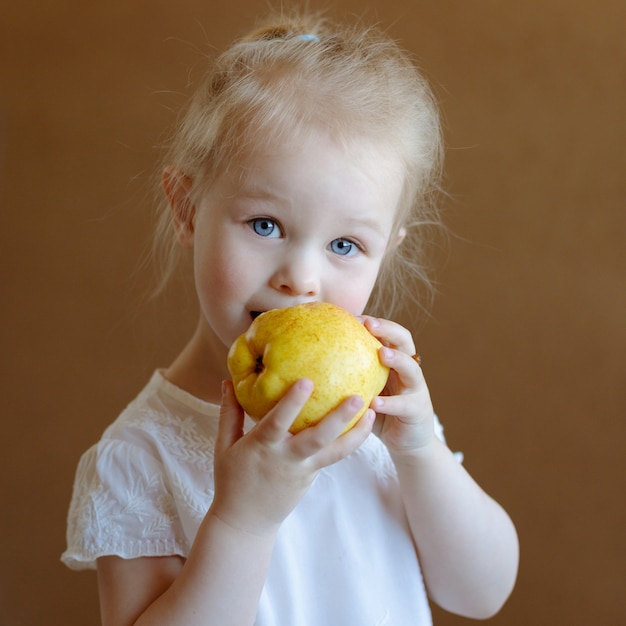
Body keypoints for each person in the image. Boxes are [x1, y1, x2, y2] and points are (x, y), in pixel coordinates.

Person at [62, 11, 519, 626]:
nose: (301, 278)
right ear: (188, 209)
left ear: (387, 251)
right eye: (265, 225)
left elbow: (481, 592)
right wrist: (243, 520)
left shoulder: (373, 419)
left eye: (344, 245)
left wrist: (420, 452)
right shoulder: (140, 457)